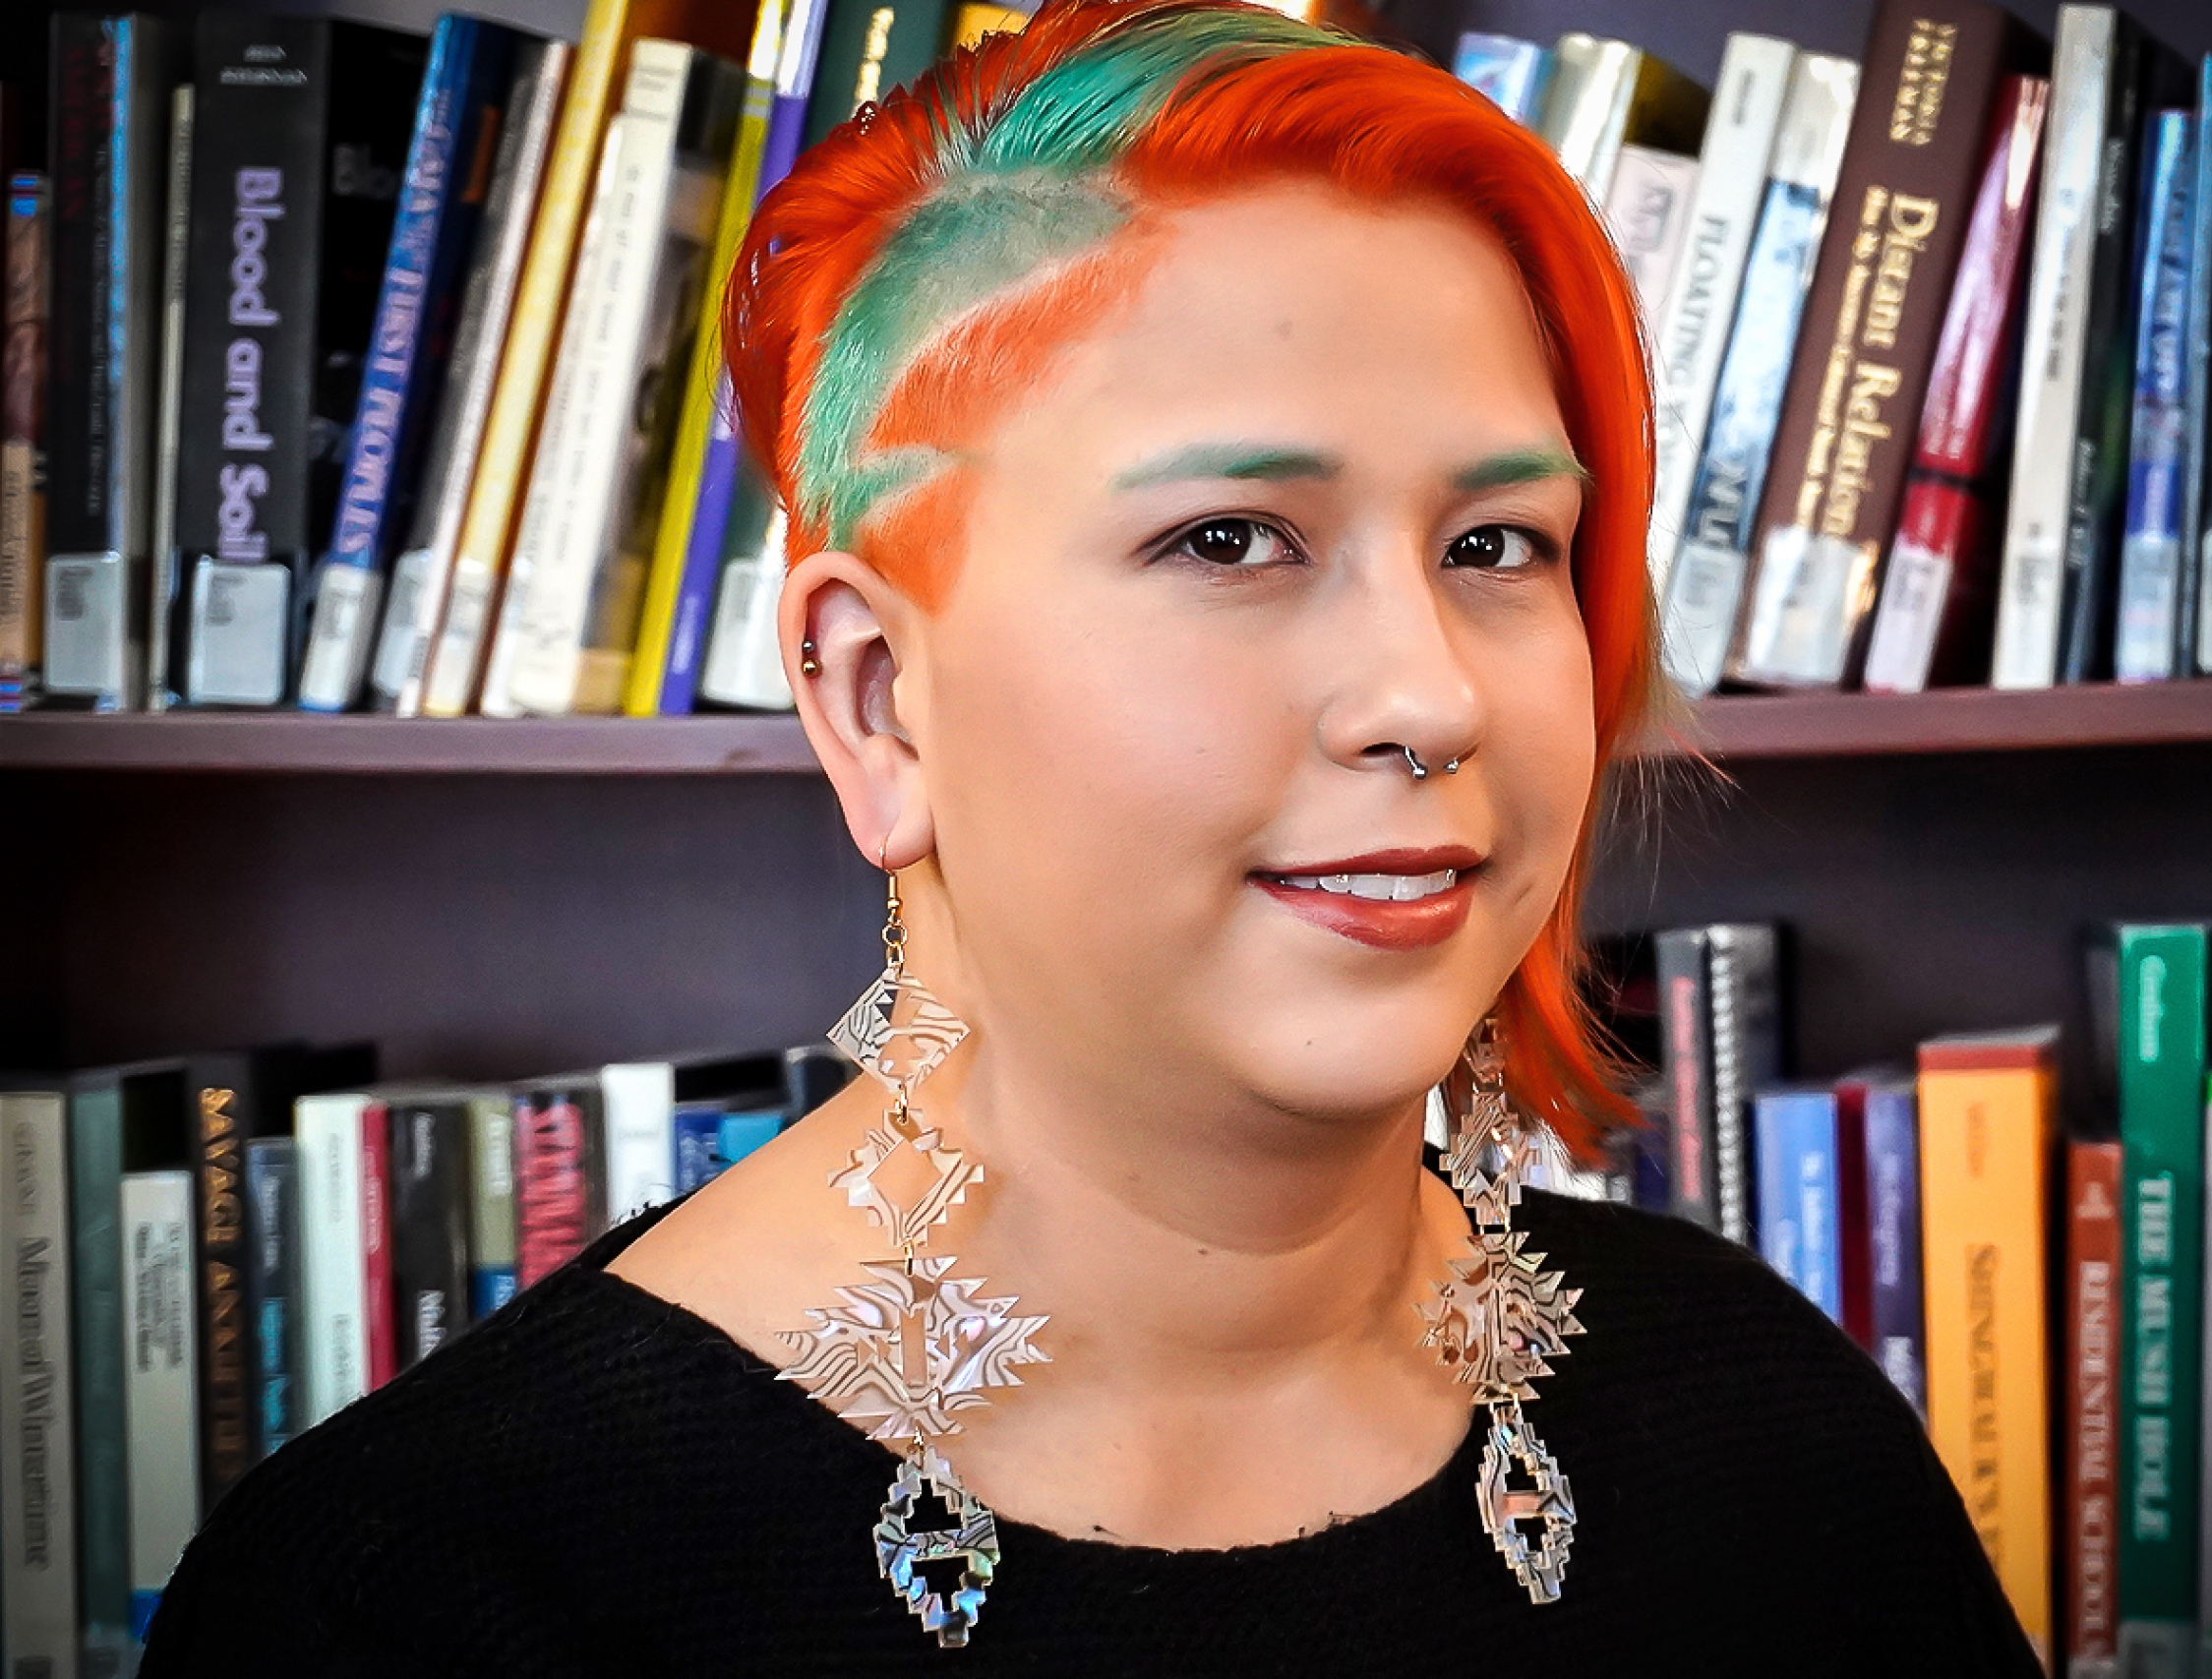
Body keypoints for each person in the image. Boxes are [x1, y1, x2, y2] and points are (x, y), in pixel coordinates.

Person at [138, 4, 2041, 1672]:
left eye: (1497, 548)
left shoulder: (1772, 1417)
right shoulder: (426, 1595)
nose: (1433, 696)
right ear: (880, 698)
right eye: (1231, 540)